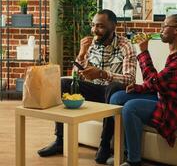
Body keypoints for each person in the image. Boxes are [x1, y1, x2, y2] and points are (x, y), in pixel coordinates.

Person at [38, 9, 137, 164]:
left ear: (113, 27)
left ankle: (104, 144)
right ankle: (60, 140)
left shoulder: (126, 46)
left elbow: (129, 79)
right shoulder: (92, 44)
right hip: (96, 90)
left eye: (100, 26)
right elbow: (76, 76)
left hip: (114, 93)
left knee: (112, 88)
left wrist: (103, 74)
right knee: (64, 83)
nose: (95, 30)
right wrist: (82, 53)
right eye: (93, 25)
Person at [110, 13, 177, 166]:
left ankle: (133, 160)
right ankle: (125, 150)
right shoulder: (174, 53)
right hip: (161, 96)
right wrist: (138, 88)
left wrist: (143, 51)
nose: (161, 29)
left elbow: (154, 81)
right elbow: (159, 84)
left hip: (172, 106)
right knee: (117, 98)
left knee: (131, 108)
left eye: (165, 26)